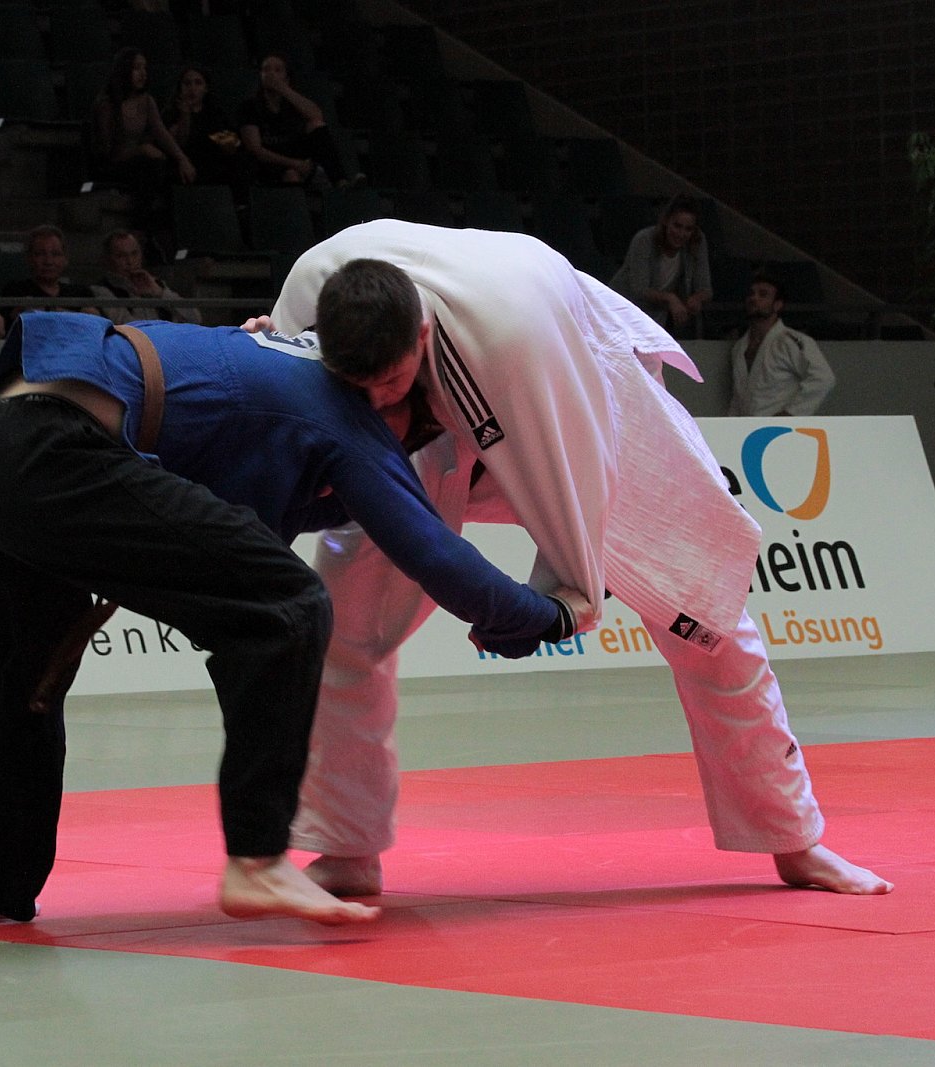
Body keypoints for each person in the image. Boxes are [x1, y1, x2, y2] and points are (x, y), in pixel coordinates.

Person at [265, 220, 893, 899]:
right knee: (345, 621)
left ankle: (793, 837)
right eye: (360, 388)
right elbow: (272, 417)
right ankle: (347, 845)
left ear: (419, 336)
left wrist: (553, 605)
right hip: (423, 435)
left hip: (577, 392)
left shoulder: (514, 336)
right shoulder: (306, 298)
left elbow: (576, 482)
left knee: (707, 614)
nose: (379, 399)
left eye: (389, 380)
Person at [0, 310, 587, 927]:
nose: (402, 451)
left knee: (29, 673)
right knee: (286, 608)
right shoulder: (351, 415)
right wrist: (549, 616)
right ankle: (258, 859)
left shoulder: (278, 355)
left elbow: (259, 515)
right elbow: (432, 551)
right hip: (50, 451)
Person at [726, 271, 836, 417]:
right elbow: (738, 397)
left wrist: (791, 413)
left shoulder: (791, 340)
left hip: (781, 425)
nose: (754, 298)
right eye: (751, 294)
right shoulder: (739, 347)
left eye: (763, 294)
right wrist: (730, 423)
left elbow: (823, 378)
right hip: (746, 426)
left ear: (777, 305)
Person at [237, 52, 352, 186]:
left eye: (277, 70)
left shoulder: (291, 104)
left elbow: (317, 116)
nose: (271, 74)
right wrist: (296, 164)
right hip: (270, 160)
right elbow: (255, 150)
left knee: (316, 125)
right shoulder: (249, 107)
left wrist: (283, 89)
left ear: (287, 78)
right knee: (291, 174)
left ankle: (341, 182)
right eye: (266, 69)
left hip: (292, 151)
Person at [91, 47, 194, 194]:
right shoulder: (107, 104)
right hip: (115, 164)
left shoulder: (146, 100)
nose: (143, 73)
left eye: (144, 68)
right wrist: (141, 150)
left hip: (140, 160)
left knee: (174, 168)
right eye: (136, 68)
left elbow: (160, 132)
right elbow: (107, 151)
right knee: (151, 167)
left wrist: (182, 159)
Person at [609, 194, 712, 336]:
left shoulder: (697, 242)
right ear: (666, 221)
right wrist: (670, 298)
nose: (681, 234)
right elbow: (639, 289)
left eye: (688, 229)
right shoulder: (644, 240)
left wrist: (696, 299)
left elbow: (706, 289)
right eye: (677, 226)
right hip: (620, 312)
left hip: (654, 322)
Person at [93, 228, 201, 324]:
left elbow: (195, 318)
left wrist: (159, 292)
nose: (130, 261)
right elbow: (129, 327)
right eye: (121, 256)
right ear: (108, 259)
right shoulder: (102, 290)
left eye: (134, 254)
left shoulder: (155, 284)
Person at [0, 225, 98, 327]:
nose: (48, 261)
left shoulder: (81, 293)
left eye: (56, 254)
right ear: (29, 258)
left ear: (65, 259)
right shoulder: (15, 291)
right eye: (40, 254)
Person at [164, 65, 245, 191]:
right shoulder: (171, 113)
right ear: (180, 88)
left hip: (212, 166)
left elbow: (231, 146)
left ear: (206, 88)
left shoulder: (215, 113)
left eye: (198, 83)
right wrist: (185, 115)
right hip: (183, 166)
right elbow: (179, 144)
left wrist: (227, 142)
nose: (192, 88)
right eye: (187, 83)